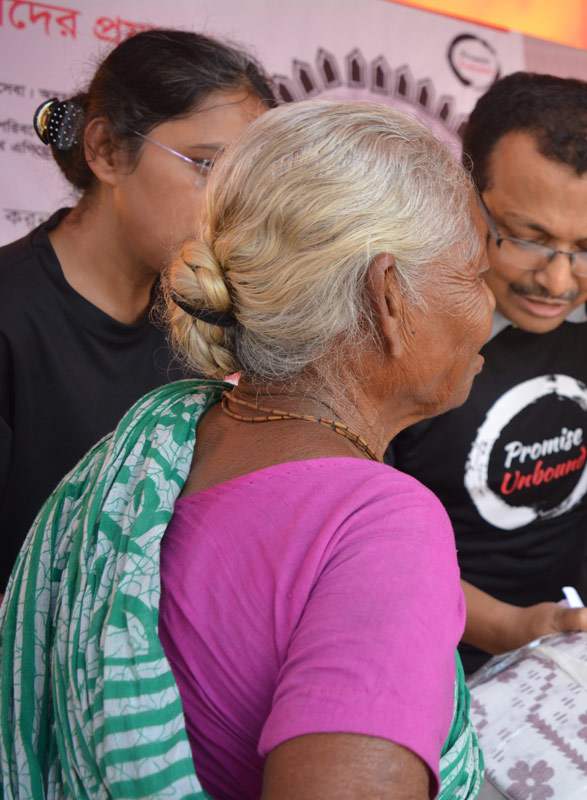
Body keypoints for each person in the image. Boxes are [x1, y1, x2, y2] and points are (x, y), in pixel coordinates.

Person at [1, 99, 491, 800]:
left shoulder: (167, 444)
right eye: (472, 275)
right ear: (389, 298)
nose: (489, 306)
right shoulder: (384, 523)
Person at [387, 72, 587, 674]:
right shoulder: (397, 314)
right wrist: (507, 626)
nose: (559, 282)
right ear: (465, 192)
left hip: (564, 629)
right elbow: (368, 543)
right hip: (414, 649)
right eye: (527, 239)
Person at [0, 29, 275, 590]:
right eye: (206, 166)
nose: (232, 209)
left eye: (245, 182)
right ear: (104, 149)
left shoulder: (202, 322)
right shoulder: (12, 314)